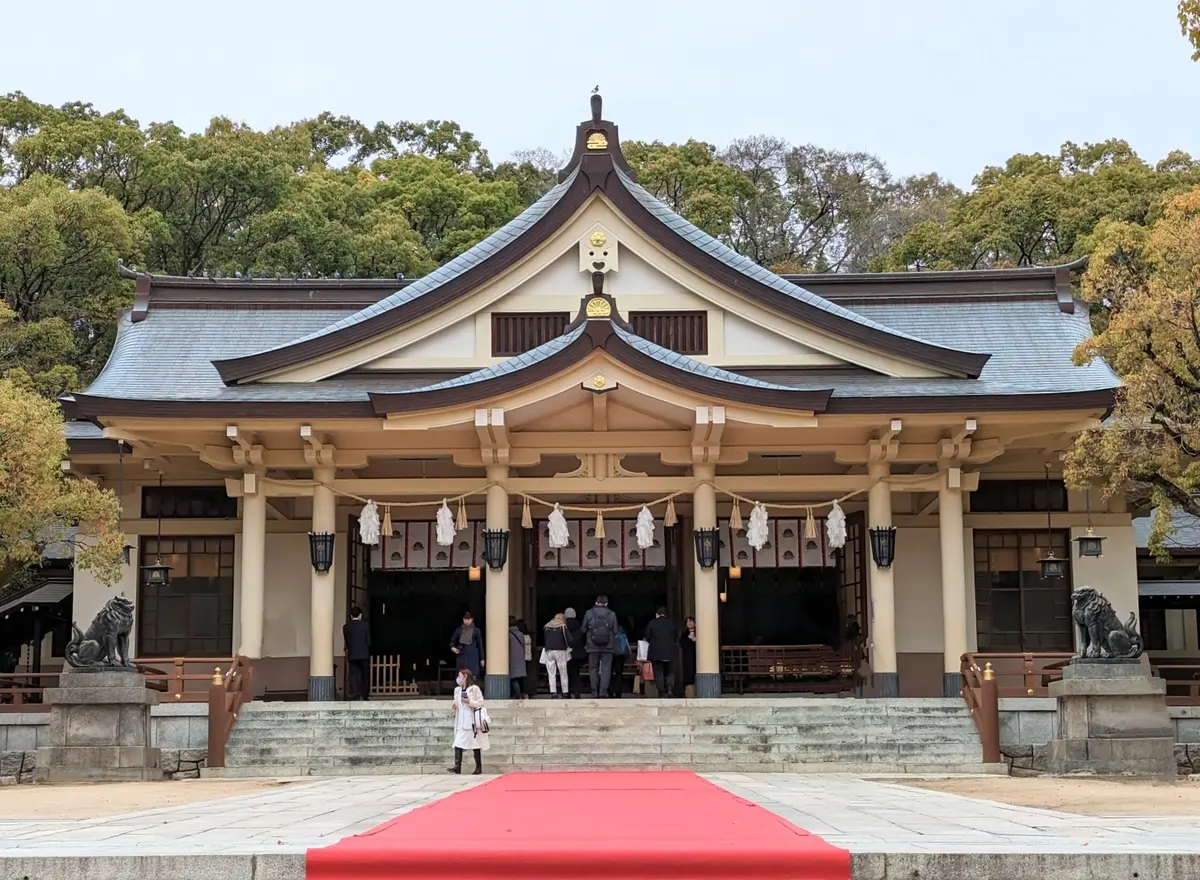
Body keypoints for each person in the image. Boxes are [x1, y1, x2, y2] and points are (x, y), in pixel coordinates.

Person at [448, 668, 488, 775]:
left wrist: (469, 702)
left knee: (475, 744)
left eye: (460, 676)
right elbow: (456, 702)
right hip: (461, 720)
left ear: (465, 676)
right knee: (457, 743)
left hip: (471, 720)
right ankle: (457, 766)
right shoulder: (457, 690)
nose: (458, 678)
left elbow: (480, 703)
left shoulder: (474, 689)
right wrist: (455, 706)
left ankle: (478, 767)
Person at [581, 595, 619, 698]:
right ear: (606, 604)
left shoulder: (589, 613)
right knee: (606, 669)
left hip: (592, 646)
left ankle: (594, 692)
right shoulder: (612, 614)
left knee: (593, 669)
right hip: (608, 646)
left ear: (596, 603)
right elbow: (615, 631)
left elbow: (583, 629)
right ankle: (603, 692)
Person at [644, 606, 679, 698]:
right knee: (670, 671)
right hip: (670, 652)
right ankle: (670, 688)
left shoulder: (652, 623)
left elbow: (647, 637)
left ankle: (662, 692)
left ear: (657, 614)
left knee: (658, 672)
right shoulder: (671, 624)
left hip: (656, 652)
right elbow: (676, 637)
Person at [342, 606, 371, 701]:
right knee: (365, 676)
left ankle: (356, 694)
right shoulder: (365, 626)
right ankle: (364, 695)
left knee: (354, 675)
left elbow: (347, 641)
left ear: (350, 616)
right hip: (364, 655)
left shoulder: (346, 627)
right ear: (360, 615)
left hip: (352, 655)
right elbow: (369, 641)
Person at [542, 612, 571, 698]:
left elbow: (545, 639)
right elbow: (568, 639)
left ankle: (553, 692)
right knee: (563, 671)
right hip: (560, 651)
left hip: (549, 651)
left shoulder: (546, 626)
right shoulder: (562, 626)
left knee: (551, 672)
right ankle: (565, 691)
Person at [449, 611, 484, 678]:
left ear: (472, 619)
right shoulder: (458, 630)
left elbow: (480, 645)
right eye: (465, 619)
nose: (466, 621)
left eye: (468, 619)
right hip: (461, 657)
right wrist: (453, 648)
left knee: (472, 678)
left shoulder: (476, 631)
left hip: (472, 657)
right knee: (461, 677)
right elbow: (452, 641)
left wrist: (482, 658)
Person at [564, 607, 585, 699]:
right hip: (577, 653)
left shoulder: (563, 626)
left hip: (565, 652)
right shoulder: (580, 626)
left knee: (565, 673)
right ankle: (577, 691)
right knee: (576, 673)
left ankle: (567, 692)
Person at [608, 622, 631, 699]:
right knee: (619, 674)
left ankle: (610, 692)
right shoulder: (622, 633)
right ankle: (618, 692)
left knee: (609, 673)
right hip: (620, 655)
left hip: (610, 654)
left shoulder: (609, 631)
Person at [508, 616, 526, 699]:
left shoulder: (508, 635)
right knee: (519, 678)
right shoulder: (521, 634)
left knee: (514, 678)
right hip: (520, 658)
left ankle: (518, 695)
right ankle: (522, 693)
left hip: (512, 658)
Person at [679, 616, 697, 696]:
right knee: (688, 672)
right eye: (688, 622)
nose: (689, 623)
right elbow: (681, 644)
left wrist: (695, 640)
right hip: (688, 656)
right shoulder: (684, 635)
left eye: (691, 621)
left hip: (697, 656)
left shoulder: (699, 633)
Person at [517, 618, 534, 697]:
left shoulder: (520, 636)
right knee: (528, 677)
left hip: (522, 658)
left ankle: (523, 692)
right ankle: (528, 692)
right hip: (529, 657)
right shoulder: (528, 636)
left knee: (522, 678)